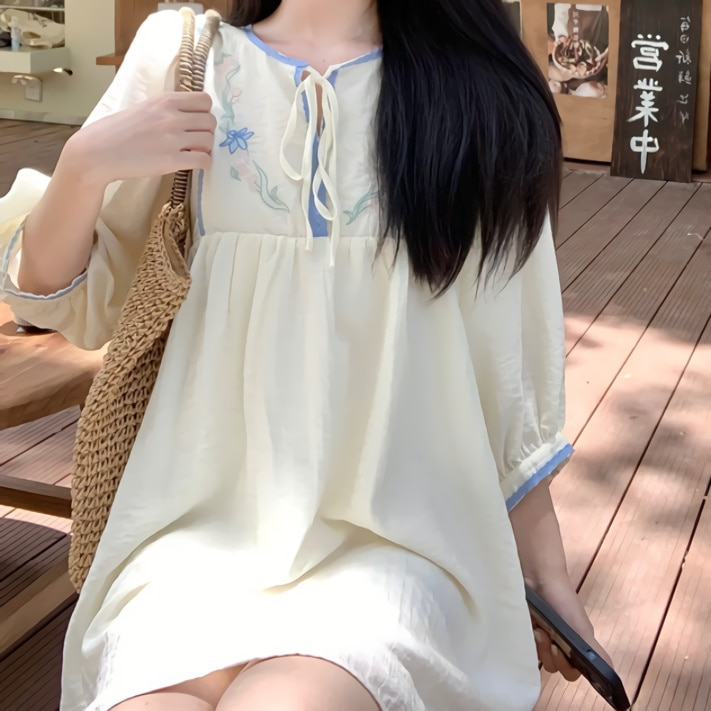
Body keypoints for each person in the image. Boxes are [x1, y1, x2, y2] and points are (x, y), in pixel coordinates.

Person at [0, 1, 613, 709]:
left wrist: (548, 572)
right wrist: (83, 166)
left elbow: (507, 366)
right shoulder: (186, 58)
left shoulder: (471, 94)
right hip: (189, 538)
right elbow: (59, 299)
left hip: (396, 547)